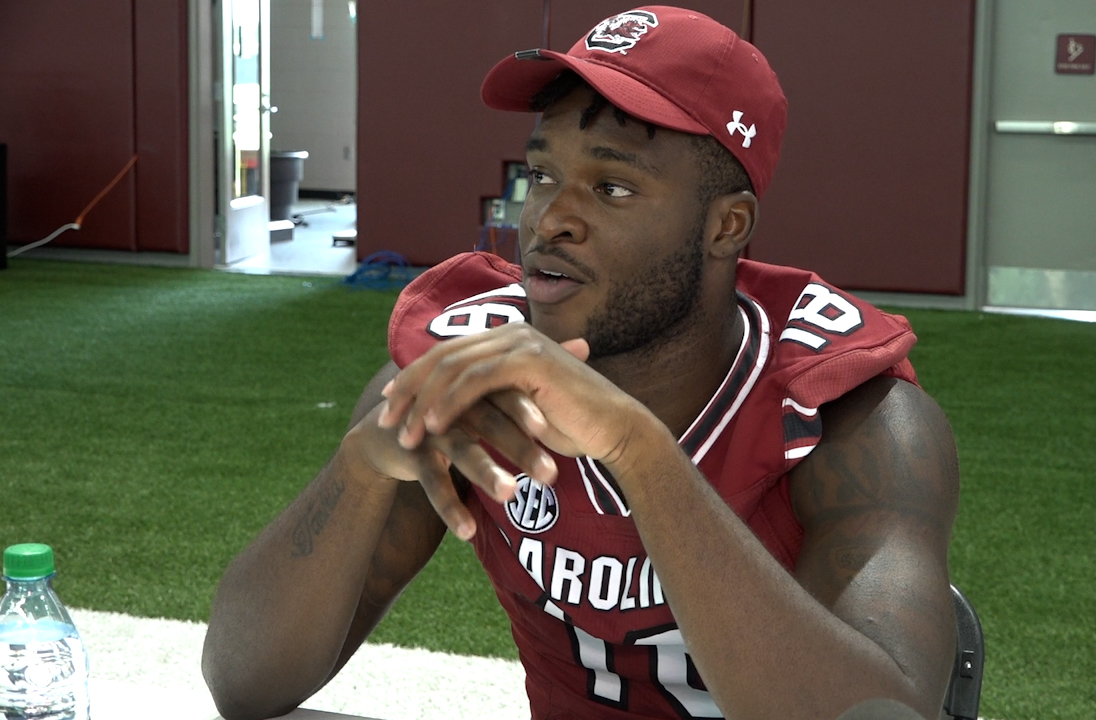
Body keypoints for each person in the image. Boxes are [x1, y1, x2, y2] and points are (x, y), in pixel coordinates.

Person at [202, 6, 960, 720]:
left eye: (612, 186)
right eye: (539, 177)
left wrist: (639, 452)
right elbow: (241, 684)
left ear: (726, 227)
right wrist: (359, 471)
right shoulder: (469, 377)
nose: (549, 219)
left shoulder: (852, 417)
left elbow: (884, 711)